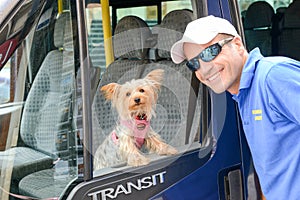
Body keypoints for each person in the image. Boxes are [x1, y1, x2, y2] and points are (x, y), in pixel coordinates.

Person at [170, 15, 300, 200]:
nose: (204, 69)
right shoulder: (242, 94)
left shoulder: (273, 77)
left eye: (210, 52)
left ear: (237, 44)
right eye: (194, 63)